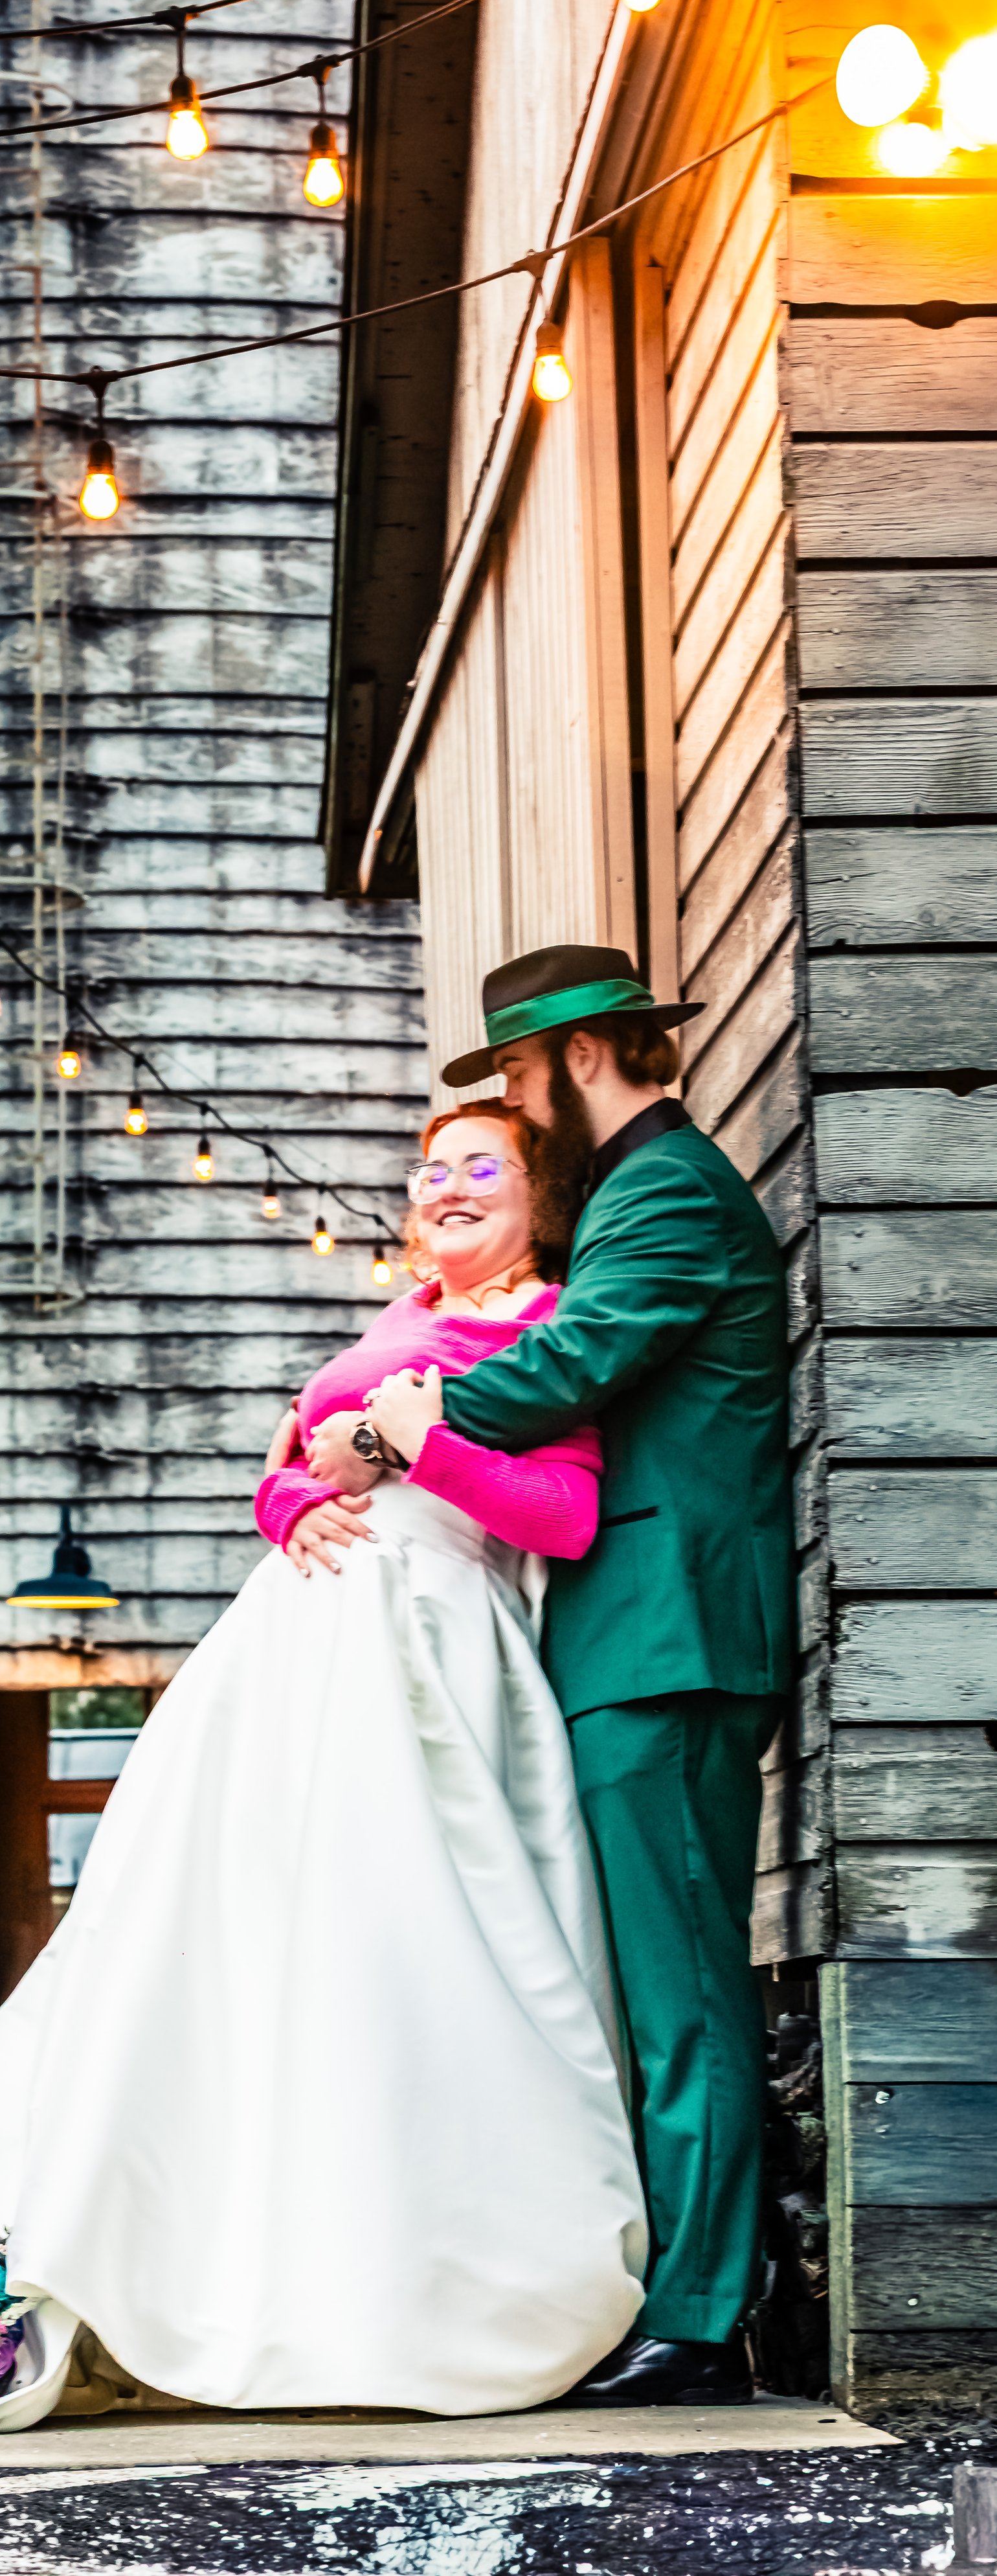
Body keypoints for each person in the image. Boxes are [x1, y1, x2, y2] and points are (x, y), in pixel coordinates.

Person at [0, 1097, 648, 2415]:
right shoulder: (391, 1322)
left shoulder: (545, 1330)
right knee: (215, 1942)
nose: (443, 1187)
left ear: (537, 1199)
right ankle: (167, 2253)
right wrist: (292, 1498)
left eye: (480, 1170)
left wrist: (412, 1442)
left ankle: (394, 2274)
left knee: (404, 1945)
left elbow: (561, 1517)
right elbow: (289, 1469)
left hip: (429, 1660)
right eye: (428, 1169)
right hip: (285, 1662)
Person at [366, 944, 795, 2411]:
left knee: (680, 1994)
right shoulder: (635, 1192)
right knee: (655, 1985)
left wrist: (390, 1423)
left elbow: (578, 1359)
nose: (515, 1111)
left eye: (516, 1080)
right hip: (637, 1637)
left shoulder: (661, 1192)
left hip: (665, 1638)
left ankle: (699, 2317)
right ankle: (691, 2293)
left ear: (574, 1059)